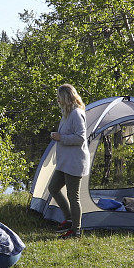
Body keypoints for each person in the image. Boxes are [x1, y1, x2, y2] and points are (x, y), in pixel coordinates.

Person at [48, 83, 90, 238]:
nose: (58, 100)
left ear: (66, 97)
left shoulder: (77, 114)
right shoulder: (67, 113)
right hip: (65, 161)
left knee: (74, 196)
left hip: (74, 162)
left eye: (59, 97)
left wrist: (61, 138)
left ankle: (76, 230)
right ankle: (69, 218)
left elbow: (80, 138)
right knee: (53, 188)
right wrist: (57, 136)